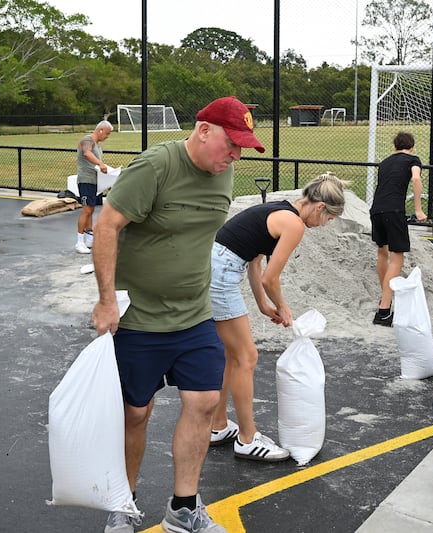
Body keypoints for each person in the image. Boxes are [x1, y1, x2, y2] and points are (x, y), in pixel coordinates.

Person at [91, 96, 265, 533]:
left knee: (205, 401)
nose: (235, 157)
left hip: (194, 314)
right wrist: (107, 299)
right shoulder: (156, 167)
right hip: (139, 318)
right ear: (203, 130)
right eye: (232, 144)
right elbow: (107, 226)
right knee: (135, 412)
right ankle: (123, 503)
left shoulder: (221, 176)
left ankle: (183, 508)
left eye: (242, 149)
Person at [209, 172, 348, 460]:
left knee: (230, 354)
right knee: (247, 357)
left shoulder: (280, 209)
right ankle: (247, 439)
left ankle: (217, 426)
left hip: (213, 267)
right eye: (329, 219)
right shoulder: (294, 224)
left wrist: (262, 304)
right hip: (220, 275)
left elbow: (255, 262)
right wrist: (283, 307)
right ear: (320, 208)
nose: (324, 226)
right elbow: (272, 278)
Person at [368, 132, 426, 327]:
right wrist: (418, 209)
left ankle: (385, 298)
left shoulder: (384, 162)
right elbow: (416, 180)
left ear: (395, 146)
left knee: (382, 253)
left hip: (376, 210)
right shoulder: (413, 159)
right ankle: (384, 310)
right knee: (397, 259)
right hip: (394, 211)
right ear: (412, 146)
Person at [74, 120, 113, 254]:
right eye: (106, 134)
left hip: (95, 182)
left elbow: (100, 167)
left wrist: (109, 181)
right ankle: (79, 242)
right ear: (100, 130)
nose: (107, 137)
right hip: (86, 180)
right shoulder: (87, 140)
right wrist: (100, 164)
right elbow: (87, 153)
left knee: (91, 210)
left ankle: (89, 239)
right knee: (86, 210)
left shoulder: (98, 145)